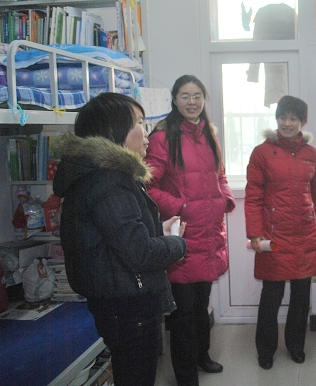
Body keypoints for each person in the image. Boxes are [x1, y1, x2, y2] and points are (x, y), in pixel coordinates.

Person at [52, 93, 187, 386]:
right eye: (139, 123)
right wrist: (177, 243)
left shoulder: (104, 175)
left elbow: (118, 237)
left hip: (120, 300)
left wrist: (158, 231)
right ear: (114, 130)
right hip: (128, 307)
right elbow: (140, 253)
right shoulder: (109, 181)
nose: (147, 133)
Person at [145, 75, 235, 386]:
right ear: (174, 100)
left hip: (209, 234)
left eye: (197, 95)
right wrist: (181, 206)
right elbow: (148, 187)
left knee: (200, 306)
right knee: (182, 313)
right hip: (182, 237)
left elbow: (220, 176)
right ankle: (185, 376)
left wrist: (225, 200)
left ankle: (202, 357)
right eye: (185, 95)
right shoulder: (162, 138)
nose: (192, 101)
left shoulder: (210, 134)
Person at [245, 95, 316, 370]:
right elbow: (253, 196)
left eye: (293, 118)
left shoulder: (311, 153)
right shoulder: (261, 153)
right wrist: (255, 233)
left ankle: (296, 346)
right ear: (276, 119)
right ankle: (265, 350)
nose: (287, 123)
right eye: (283, 117)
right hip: (274, 236)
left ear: (302, 122)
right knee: (271, 296)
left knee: (301, 296)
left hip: (305, 234)